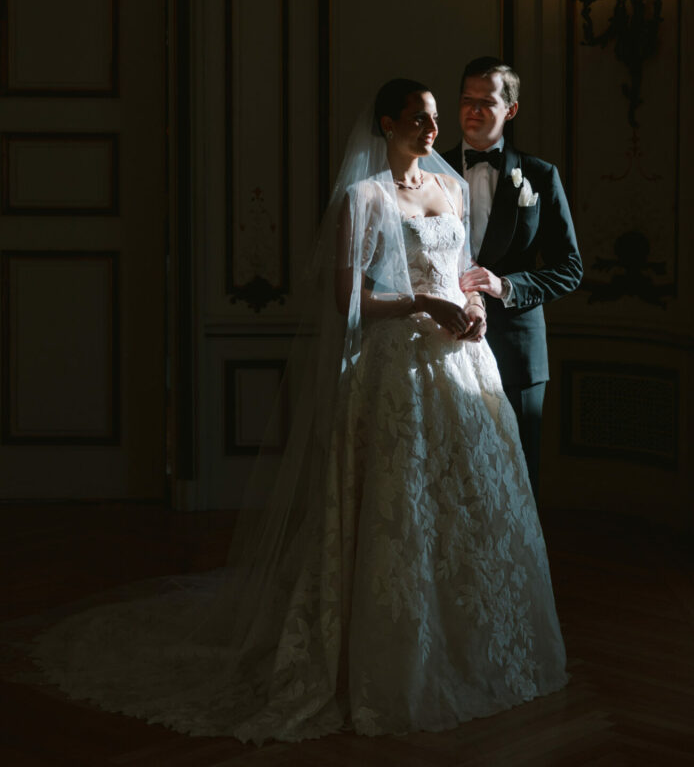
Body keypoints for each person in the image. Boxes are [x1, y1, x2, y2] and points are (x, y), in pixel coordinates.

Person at [27, 79, 567, 743]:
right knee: (396, 509)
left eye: (434, 120)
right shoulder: (361, 201)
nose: (434, 131)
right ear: (389, 123)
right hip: (393, 376)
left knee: (470, 507)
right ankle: (388, 652)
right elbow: (345, 306)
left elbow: (462, 269)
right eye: (421, 119)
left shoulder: (449, 188)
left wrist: (474, 305)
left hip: (458, 367)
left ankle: (475, 647)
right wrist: (424, 307)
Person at [444, 58, 583, 492]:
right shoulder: (430, 171)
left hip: (518, 354)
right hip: (446, 346)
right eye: (467, 100)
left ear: (511, 109)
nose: (474, 110)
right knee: (452, 479)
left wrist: (506, 286)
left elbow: (570, 268)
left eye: (486, 102)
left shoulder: (540, 176)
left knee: (518, 481)